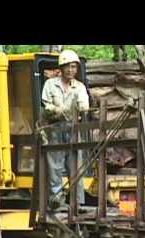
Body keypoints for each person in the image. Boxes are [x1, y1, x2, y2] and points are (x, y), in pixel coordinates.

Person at [41, 49, 89, 210]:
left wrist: (77, 108)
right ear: (61, 68)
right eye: (67, 67)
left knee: (75, 164)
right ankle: (56, 201)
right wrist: (58, 110)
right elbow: (46, 105)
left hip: (74, 128)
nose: (70, 70)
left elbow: (84, 106)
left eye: (74, 67)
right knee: (55, 165)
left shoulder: (79, 87)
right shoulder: (50, 84)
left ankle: (77, 202)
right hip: (55, 128)